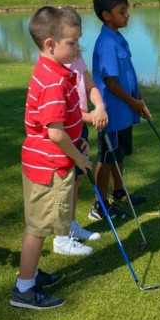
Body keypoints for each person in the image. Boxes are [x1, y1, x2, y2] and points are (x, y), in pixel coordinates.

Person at [12, 6, 91, 310]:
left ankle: (30, 275)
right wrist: (79, 159)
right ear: (50, 44)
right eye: (72, 43)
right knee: (37, 227)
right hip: (48, 165)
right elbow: (55, 133)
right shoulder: (54, 80)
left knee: (39, 224)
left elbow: (64, 124)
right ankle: (24, 288)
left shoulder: (53, 71)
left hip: (43, 161)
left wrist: (78, 139)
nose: (76, 48)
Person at [88, 0, 150, 221]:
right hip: (112, 113)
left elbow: (128, 75)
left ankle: (118, 193)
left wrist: (139, 100)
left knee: (118, 155)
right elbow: (111, 83)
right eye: (121, 12)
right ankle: (99, 204)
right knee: (106, 158)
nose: (127, 16)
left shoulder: (118, 39)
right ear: (106, 15)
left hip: (125, 112)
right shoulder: (106, 43)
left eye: (127, 11)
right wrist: (133, 102)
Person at [51, 45, 107, 255]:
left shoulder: (77, 57)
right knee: (66, 181)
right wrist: (92, 117)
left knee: (78, 178)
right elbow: (64, 111)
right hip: (66, 127)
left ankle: (70, 225)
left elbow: (90, 84)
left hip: (79, 125)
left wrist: (99, 106)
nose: (77, 44)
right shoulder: (58, 65)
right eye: (72, 40)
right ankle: (61, 238)